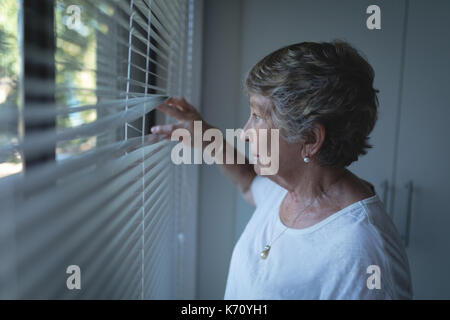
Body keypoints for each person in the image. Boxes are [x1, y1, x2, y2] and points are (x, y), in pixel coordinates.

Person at [151, 41, 413, 299]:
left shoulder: (362, 255)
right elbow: (247, 182)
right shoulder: (289, 188)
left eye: (258, 117)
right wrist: (206, 136)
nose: (244, 133)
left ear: (310, 139)